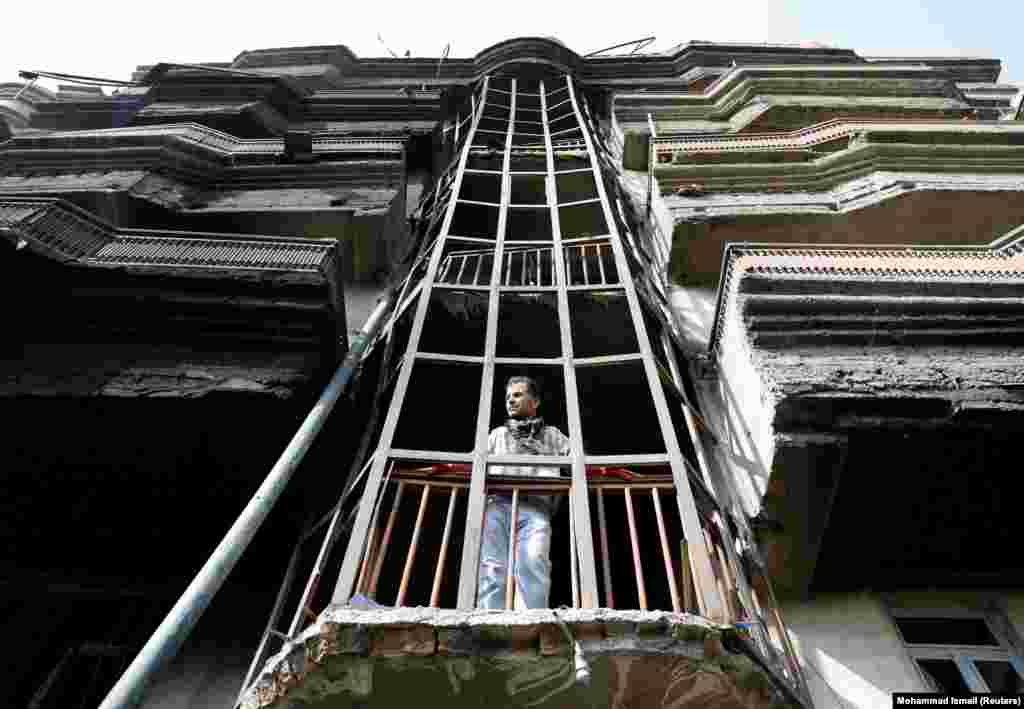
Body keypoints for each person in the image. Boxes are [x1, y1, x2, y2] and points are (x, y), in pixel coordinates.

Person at [477, 376, 570, 609]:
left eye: (517, 395)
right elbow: (475, 463)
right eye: (508, 397)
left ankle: (531, 620)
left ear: (535, 401)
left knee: (533, 562)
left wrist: (546, 455)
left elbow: (577, 459)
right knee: (492, 565)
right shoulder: (498, 434)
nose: (511, 400)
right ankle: (490, 618)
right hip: (498, 505)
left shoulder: (552, 435)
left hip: (536, 507)